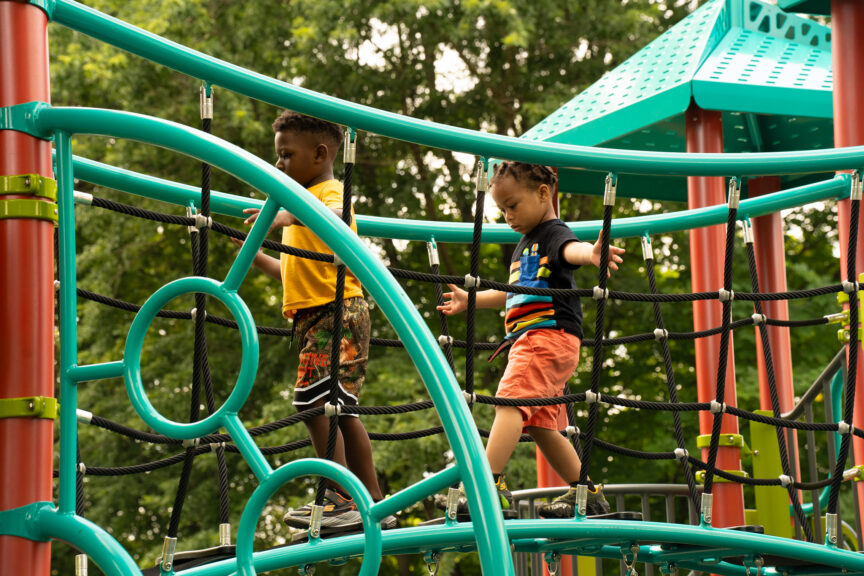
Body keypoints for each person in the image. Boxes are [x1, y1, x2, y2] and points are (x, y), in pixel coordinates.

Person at [436, 161, 624, 518]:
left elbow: (572, 251)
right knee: (541, 424)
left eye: (512, 205)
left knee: (509, 403)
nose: (508, 215)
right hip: (541, 341)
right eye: (502, 209)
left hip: (545, 337)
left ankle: (484, 486)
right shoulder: (525, 243)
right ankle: (585, 493)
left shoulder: (552, 233)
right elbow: (514, 292)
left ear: (543, 193)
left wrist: (591, 254)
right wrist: (469, 300)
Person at [237, 111, 394, 530]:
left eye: (286, 155)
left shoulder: (329, 192)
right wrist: (257, 257)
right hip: (322, 314)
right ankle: (375, 501)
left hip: (338, 311)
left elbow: (336, 223)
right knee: (341, 410)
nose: (279, 165)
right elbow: (291, 270)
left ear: (320, 153)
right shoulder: (302, 203)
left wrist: (286, 215)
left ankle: (341, 497)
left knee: (311, 404)